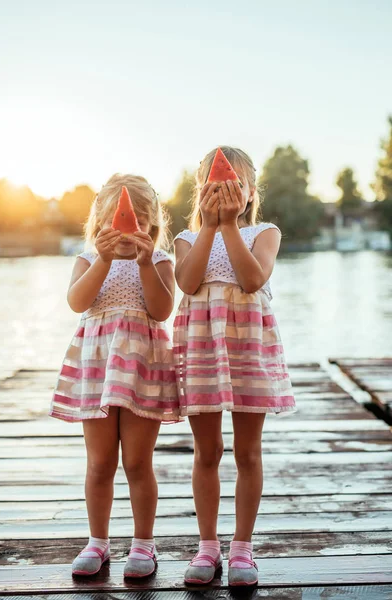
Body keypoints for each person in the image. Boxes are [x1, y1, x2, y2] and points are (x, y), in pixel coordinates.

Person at [173, 146, 295, 587]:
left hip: (248, 345)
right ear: (199, 193)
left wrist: (228, 226)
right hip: (202, 344)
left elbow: (252, 279)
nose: (224, 192)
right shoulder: (186, 239)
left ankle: (242, 548)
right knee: (207, 452)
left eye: (233, 185)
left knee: (247, 452)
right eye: (215, 186)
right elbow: (186, 283)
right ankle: (207, 548)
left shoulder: (266, 232)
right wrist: (209, 226)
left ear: (250, 192)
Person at [50, 174, 178, 579]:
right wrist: (104, 259)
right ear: (100, 223)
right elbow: (77, 301)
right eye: (122, 219)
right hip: (98, 367)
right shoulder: (88, 259)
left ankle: (144, 545)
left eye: (140, 221)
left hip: (144, 367)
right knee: (100, 462)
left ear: (153, 227)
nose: (129, 228)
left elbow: (161, 311)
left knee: (138, 462)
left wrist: (144, 262)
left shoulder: (159, 261)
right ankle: (98, 543)